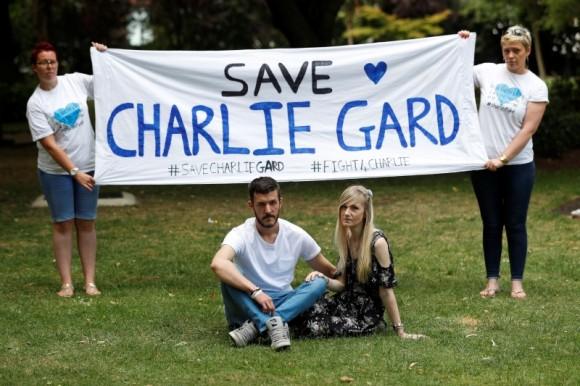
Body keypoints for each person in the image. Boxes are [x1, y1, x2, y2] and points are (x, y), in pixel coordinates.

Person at [459, 26, 549, 299]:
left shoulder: (535, 86)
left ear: (527, 51)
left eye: (516, 50)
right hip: (483, 164)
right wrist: (461, 44)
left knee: (515, 223)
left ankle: (517, 282)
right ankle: (492, 281)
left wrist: (503, 158)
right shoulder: (487, 71)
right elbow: (454, 70)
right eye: (506, 50)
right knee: (491, 223)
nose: (510, 55)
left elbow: (528, 129)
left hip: (518, 166)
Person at [210, 176, 336, 350]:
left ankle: (257, 327)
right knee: (227, 276)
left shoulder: (295, 234)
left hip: (284, 301)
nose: (268, 210)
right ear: (251, 206)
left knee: (319, 282)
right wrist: (255, 291)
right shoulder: (240, 234)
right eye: (261, 204)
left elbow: (331, 271)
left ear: (280, 202)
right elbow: (218, 263)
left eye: (272, 203)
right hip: (249, 303)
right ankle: (273, 324)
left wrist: (354, 275)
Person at [26, 41, 107, 297]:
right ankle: (66, 283)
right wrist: (74, 172)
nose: (49, 66)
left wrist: (105, 58)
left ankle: (90, 281)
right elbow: (50, 145)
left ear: (57, 63)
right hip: (56, 173)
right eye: (43, 62)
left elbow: (109, 83)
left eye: (52, 61)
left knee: (86, 222)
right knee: (63, 224)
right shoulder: (35, 103)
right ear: (35, 68)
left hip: (90, 166)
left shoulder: (75, 82)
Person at [292, 185, 425, 340]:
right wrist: (322, 278)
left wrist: (400, 331)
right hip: (344, 304)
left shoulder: (377, 243)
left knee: (314, 326)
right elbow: (341, 285)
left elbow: (386, 291)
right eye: (344, 207)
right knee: (304, 309)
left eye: (354, 208)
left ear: (365, 214)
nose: (347, 213)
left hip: (365, 314)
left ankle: (377, 325)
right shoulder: (347, 238)